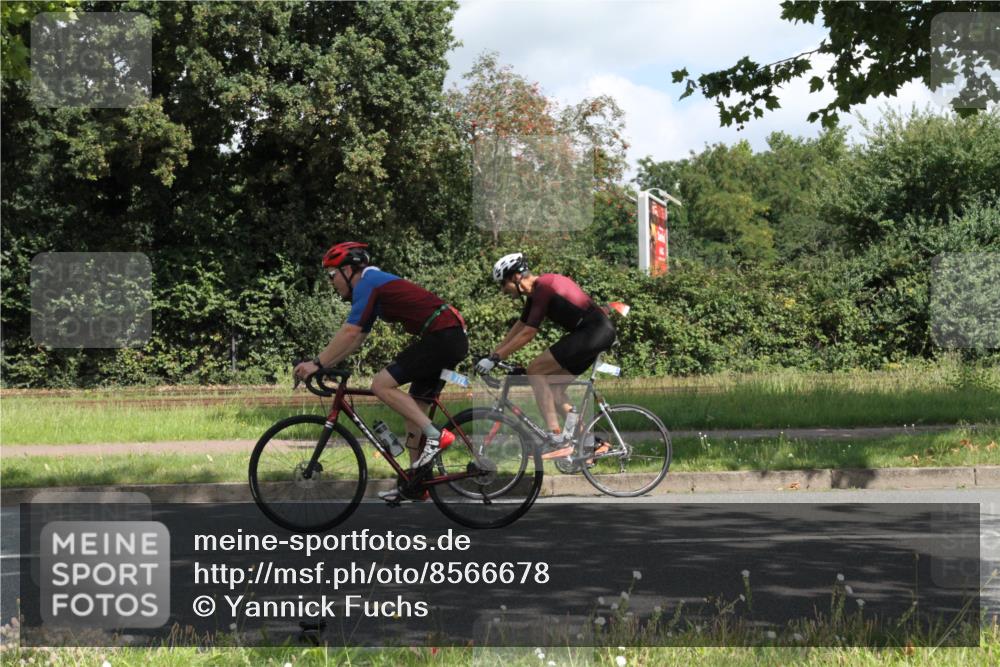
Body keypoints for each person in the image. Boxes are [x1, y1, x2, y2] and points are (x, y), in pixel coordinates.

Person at [294, 242, 468, 501]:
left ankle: (437, 435)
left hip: (442, 336)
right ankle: (416, 485)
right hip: (445, 336)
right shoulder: (371, 284)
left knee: (381, 385)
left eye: (332, 275)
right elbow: (357, 338)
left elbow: (350, 331)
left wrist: (317, 364)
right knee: (415, 412)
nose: (331, 282)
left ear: (349, 270)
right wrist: (326, 365)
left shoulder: (367, 282)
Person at [475, 253, 615, 459]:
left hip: (593, 332)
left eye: (503, 284)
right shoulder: (535, 294)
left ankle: (556, 438)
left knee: (535, 370)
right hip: (595, 333)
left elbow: (529, 332)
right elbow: (520, 326)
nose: (503, 290)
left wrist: (495, 359)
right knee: (554, 389)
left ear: (515, 277)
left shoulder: (544, 287)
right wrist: (493, 355)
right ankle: (591, 443)